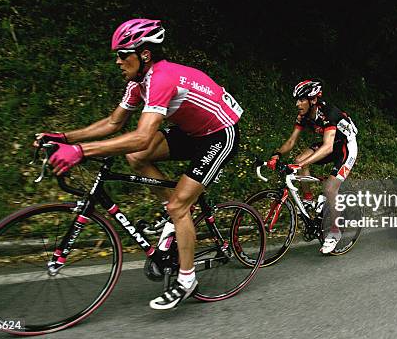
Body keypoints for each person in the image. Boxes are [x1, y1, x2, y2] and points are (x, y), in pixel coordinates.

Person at [35, 18, 243, 310]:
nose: (118, 61)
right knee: (136, 158)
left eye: (123, 54)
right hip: (190, 131)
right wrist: (64, 137)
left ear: (144, 54)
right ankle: (174, 220)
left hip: (219, 134)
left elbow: (143, 135)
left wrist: (80, 151)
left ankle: (186, 280)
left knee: (179, 205)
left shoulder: (162, 78)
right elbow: (113, 122)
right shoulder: (138, 83)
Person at [267, 79, 358, 254]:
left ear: (313, 100)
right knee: (300, 158)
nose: (297, 104)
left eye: (301, 100)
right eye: (297, 100)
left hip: (345, 147)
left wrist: (300, 164)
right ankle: (308, 200)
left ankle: (335, 231)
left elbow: (328, 147)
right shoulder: (303, 115)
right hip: (330, 144)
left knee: (331, 188)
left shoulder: (328, 113)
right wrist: (277, 154)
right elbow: (292, 141)